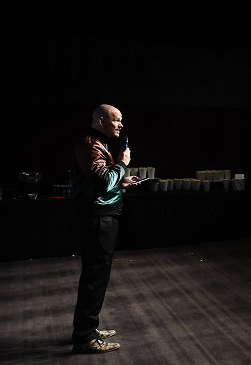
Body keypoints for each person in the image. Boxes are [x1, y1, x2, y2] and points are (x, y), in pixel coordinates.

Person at [70, 104, 140, 354]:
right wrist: (122, 165)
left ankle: (86, 328)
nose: (121, 124)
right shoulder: (91, 145)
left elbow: (102, 183)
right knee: (94, 279)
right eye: (116, 120)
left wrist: (121, 183)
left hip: (101, 217)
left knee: (95, 278)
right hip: (97, 219)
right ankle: (84, 337)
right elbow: (103, 180)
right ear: (101, 121)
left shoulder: (98, 144)